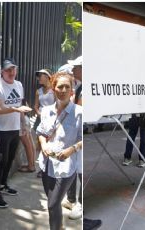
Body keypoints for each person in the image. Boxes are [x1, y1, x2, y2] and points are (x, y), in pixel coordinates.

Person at [37, 73, 82, 230]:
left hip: (66, 167)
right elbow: (41, 132)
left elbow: (84, 139)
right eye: (59, 86)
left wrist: (72, 149)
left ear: (72, 91)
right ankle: (58, 226)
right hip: (46, 164)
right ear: (53, 88)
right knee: (52, 205)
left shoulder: (79, 112)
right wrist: (43, 145)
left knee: (52, 203)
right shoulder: (46, 111)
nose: (63, 90)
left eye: (67, 87)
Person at [0, 58, 32, 208]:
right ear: (2, 71)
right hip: (1, 130)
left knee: (10, 158)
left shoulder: (19, 85)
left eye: (13, 69)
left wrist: (23, 124)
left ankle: (3, 184)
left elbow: (20, 106)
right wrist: (14, 109)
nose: (11, 72)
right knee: (1, 160)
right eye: (8, 70)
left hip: (14, 128)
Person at [61, 56, 83, 220]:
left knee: (81, 169)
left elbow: (79, 110)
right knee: (72, 166)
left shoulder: (85, 87)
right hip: (74, 133)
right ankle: (71, 199)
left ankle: (80, 204)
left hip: (80, 135)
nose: (72, 70)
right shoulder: (80, 86)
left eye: (75, 67)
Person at [32, 69, 55, 176]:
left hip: (52, 120)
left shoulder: (54, 90)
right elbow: (35, 106)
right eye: (38, 76)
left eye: (40, 75)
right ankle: (42, 168)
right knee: (41, 144)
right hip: (41, 120)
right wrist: (39, 113)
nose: (39, 78)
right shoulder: (38, 91)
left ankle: (49, 167)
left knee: (50, 144)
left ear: (47, 76)